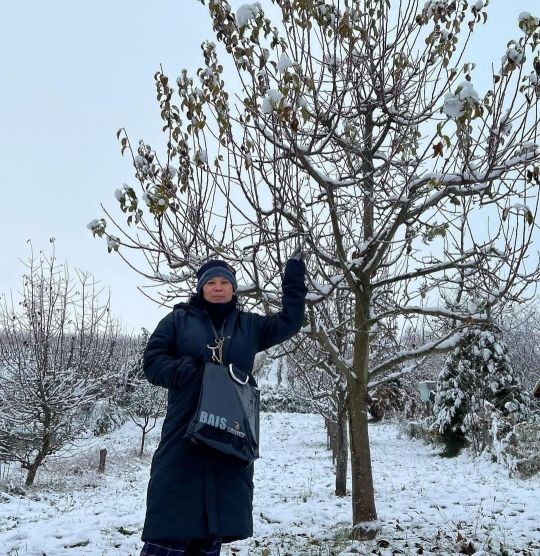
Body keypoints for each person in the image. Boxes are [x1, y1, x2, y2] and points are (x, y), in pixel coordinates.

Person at [140, 253, 307, 556]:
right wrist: (194, 374)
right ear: (201, 288)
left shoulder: (250, 325)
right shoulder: (178, 319)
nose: (218, 287)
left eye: (225, 282)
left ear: (233, 289)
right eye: (211, 282)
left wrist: (294, 277)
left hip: (231, 435)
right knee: (169, 530)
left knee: (210, 531)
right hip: (183, 433)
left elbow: (290, 322)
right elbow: (152, 361)